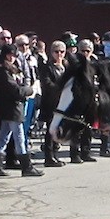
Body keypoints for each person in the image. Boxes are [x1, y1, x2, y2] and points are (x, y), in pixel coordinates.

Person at [0, 45, 43, 177]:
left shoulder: (11, 70)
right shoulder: (3, 71)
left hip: (11, 108)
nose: (12, 57)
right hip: (11, 108)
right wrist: (30, 90)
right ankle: (26, 167)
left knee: (4, 137)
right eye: (10, 55)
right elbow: (16, 91)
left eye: (14, 55)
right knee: (19, 137)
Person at [38, 39, 69, 168]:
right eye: (56, 52)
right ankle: (49, 157)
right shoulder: (47, 67)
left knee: (59, 130)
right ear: (52, 53)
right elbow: (47, 83)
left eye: (62, 51)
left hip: (64, 103)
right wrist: (60, 88)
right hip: (51, 103)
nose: (59, 54)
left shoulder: (67, 66)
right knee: (51, 130)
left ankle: (55, 154)